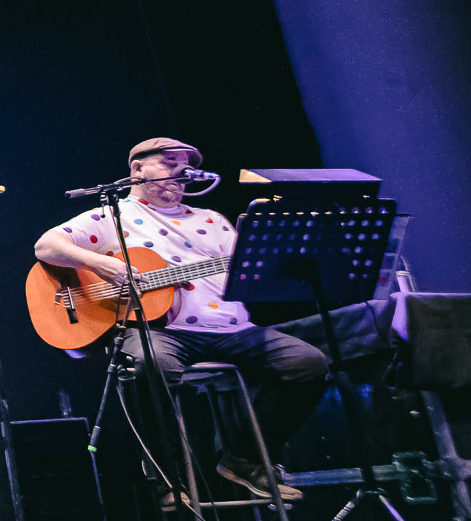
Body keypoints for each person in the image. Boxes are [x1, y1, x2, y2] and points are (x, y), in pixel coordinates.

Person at [33, 136, 330, 500]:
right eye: (170, 163)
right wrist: (101, 264)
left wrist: (279, 260)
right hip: (162, 330)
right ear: (138, 168)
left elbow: (250, 271)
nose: (182, 173)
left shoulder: (211, 220)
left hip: (231, 328)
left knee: (308, 363)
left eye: (186, 167)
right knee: (148, 363)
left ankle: (245, 459)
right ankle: (167, 478)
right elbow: (46, 246)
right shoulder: (113, 215)